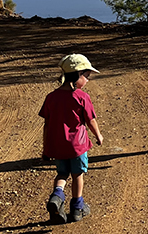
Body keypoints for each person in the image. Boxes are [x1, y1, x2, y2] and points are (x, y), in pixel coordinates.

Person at [39, 54, 104, 224]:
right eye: (87, 76)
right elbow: (90, 120)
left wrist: (46, 149)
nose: (88, 81)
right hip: (78, 146)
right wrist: (98, 136)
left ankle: (57, 196)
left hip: (58, 145)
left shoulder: (51, 97)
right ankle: (77, 208)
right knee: (77, 175)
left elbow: (46, 124)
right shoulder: (82, 97)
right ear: (78, 76)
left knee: (62, 173)